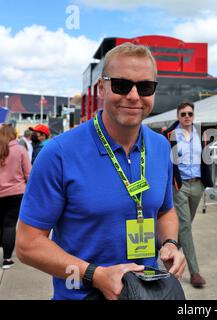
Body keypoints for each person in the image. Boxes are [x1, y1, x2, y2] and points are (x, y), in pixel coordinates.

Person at [15, 42, 186, 300]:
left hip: (147, 293)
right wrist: (95, 274)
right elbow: (27, 244)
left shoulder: (161, 146)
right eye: (121, 84)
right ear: (102, 88)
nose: (133, 95)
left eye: (145, 87)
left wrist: (170, 243)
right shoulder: (59, 153)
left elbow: (165, 211)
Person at [164, 101, 213, 288]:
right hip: (180, 186)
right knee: (185, 226)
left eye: (190, 114)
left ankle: (167, 249)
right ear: (178, 116)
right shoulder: (168, 135)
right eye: (183, 114)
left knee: (184, 227)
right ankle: (195, 273)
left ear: (193, 116)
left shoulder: (201, 134)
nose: (187, 117)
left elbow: (205, 159)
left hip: (198, 185)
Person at [0, 124, 31, 269]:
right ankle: (6, 259)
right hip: (16, 193)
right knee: (10, 225)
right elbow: (28, 173)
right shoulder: (20, 150)